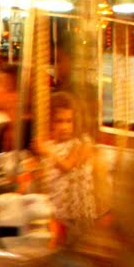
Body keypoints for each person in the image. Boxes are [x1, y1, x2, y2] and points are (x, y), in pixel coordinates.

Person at [37, 89, 105, 243]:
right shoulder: (49, 146)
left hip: (77, 214)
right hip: (56, 212)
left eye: (69, 121)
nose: (64, 127)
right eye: (59, 121)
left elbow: (68, 166)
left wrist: (48, 152)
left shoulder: (82, 143)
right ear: (50, 122)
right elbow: (43, 176)